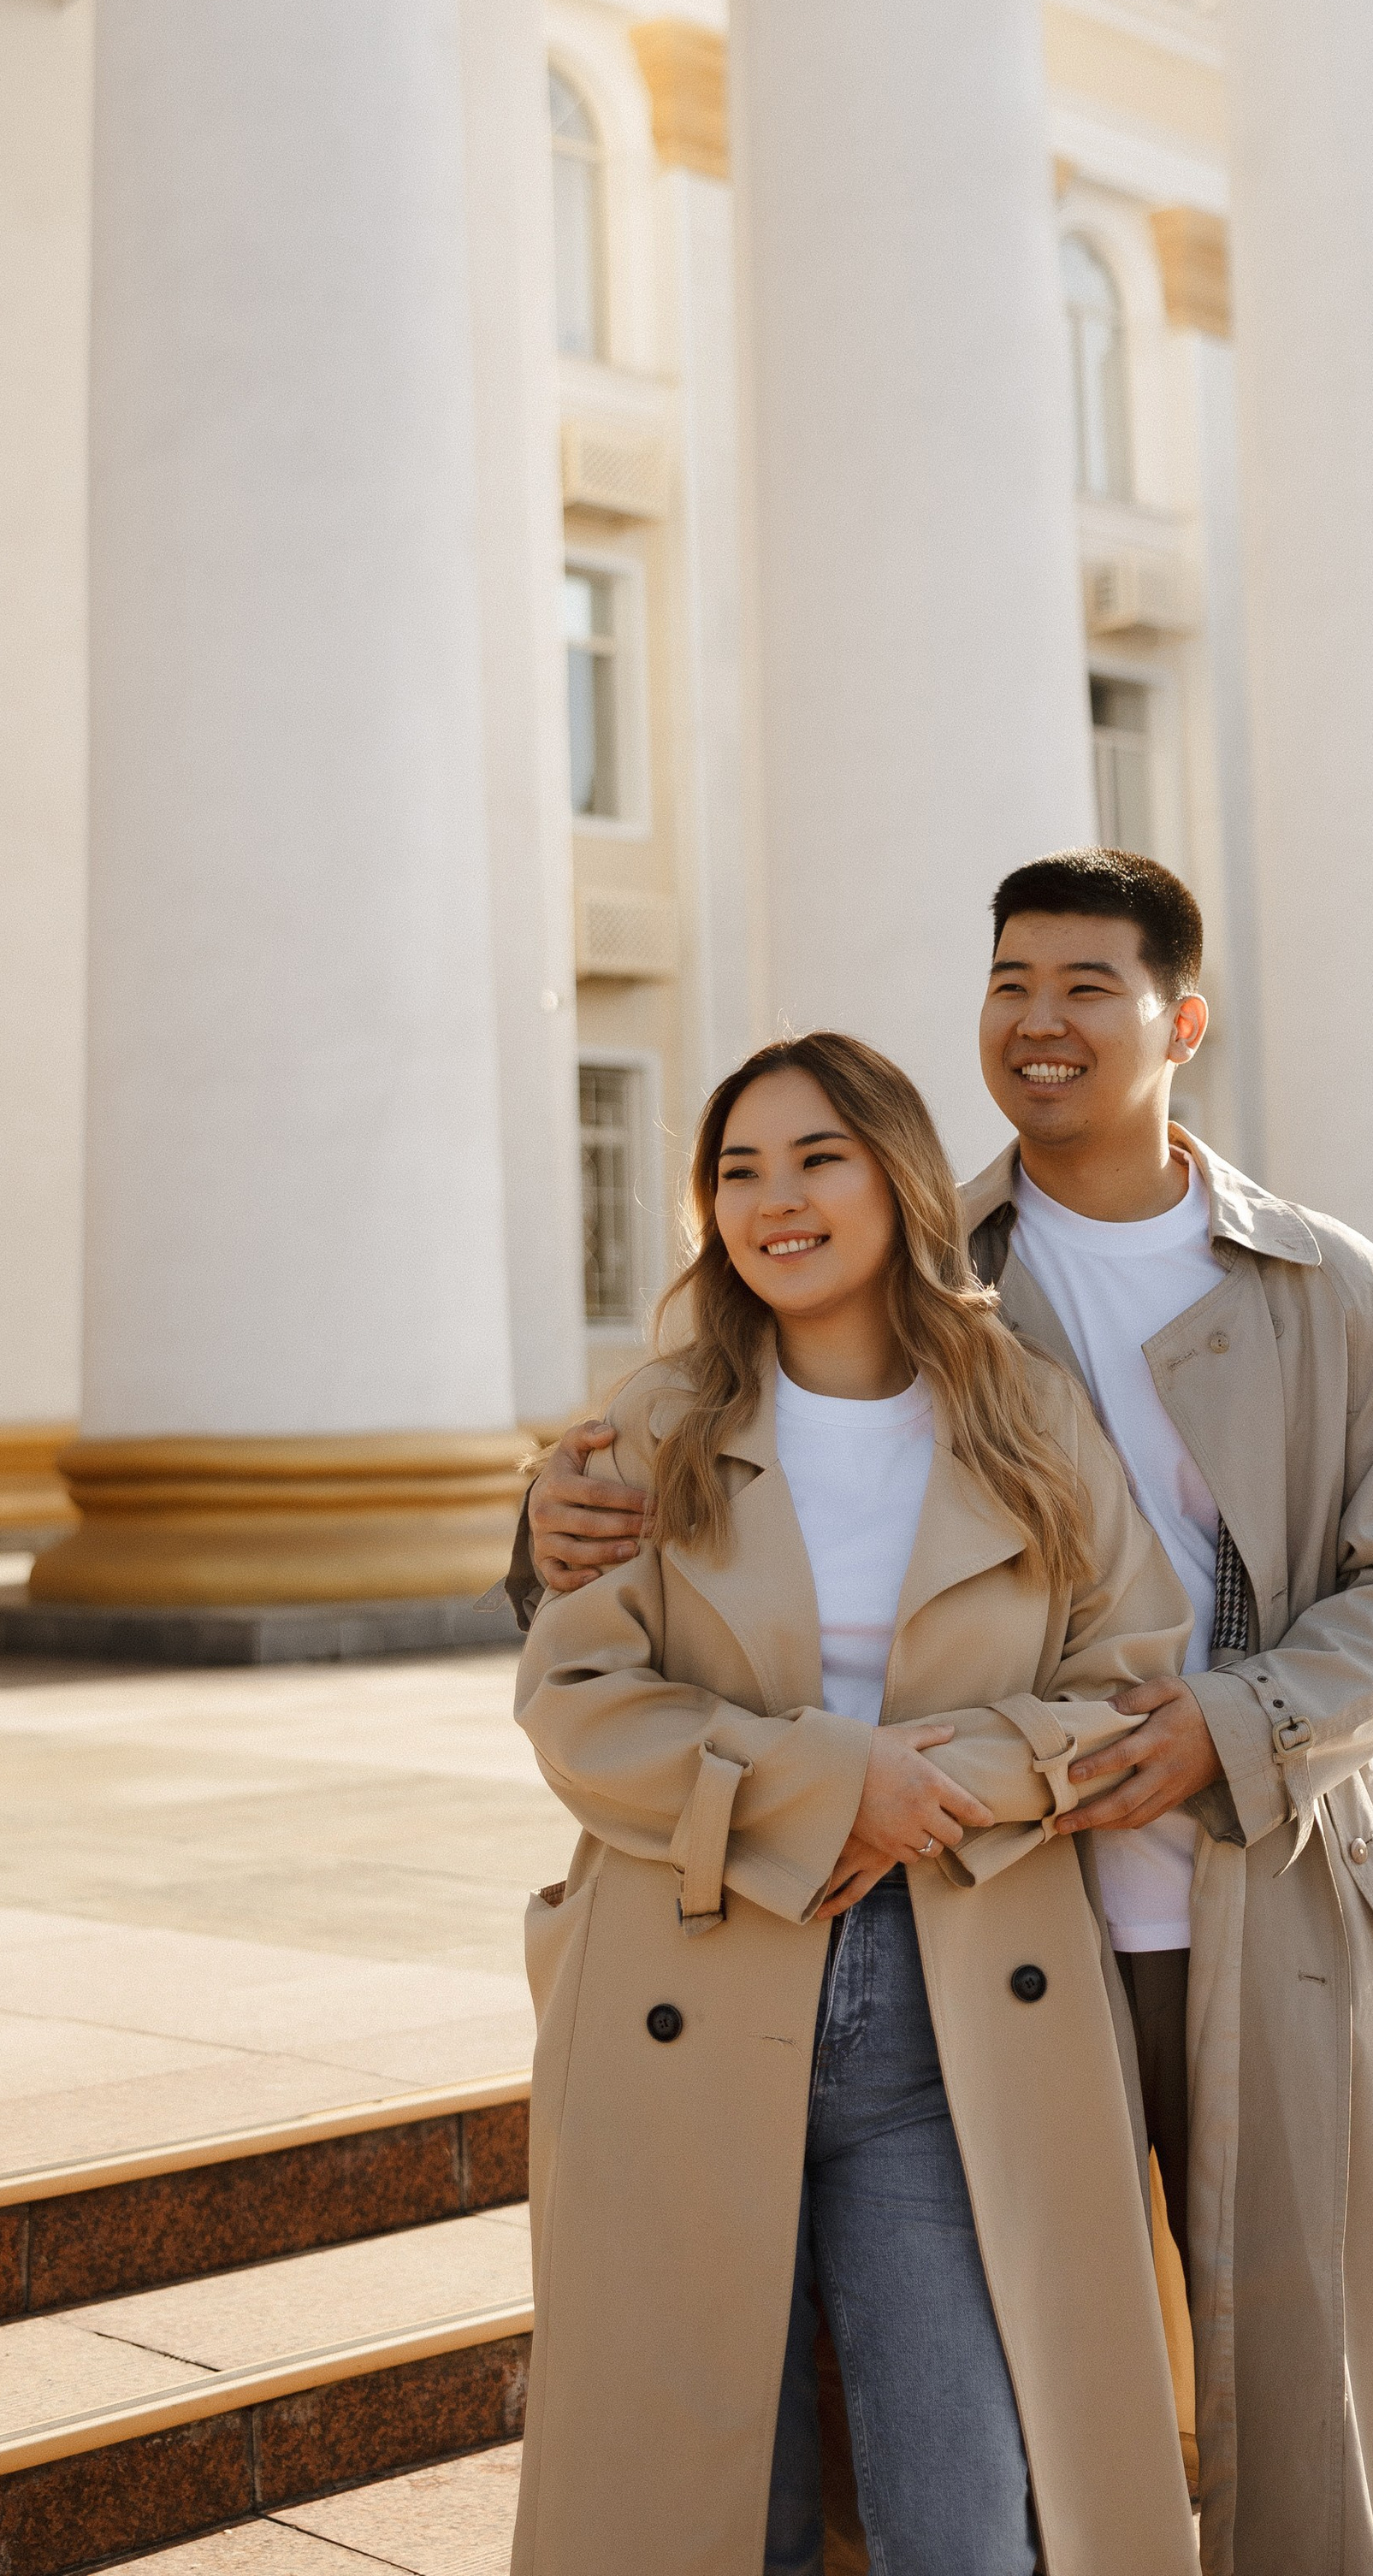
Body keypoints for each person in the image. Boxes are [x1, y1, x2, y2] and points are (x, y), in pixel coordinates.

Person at [517, 851, 1373, 2576]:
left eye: (1084, 987)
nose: (1037, 1022)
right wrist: (536, 1527)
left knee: (1288, 2369)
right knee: (992, 2396)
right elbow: (629, 1577)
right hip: (976, 1910)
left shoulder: (1330, 1288)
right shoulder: (907, 1265)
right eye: (1006, 983)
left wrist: (1234, 1722)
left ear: (1178, 1019)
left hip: (1241, 1887)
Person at [512, 1030, 1198, 2576]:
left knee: (966, 2508)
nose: (777, 1200)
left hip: (956, 2014)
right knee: (699, 2505)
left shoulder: (1024, 1415)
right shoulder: (651, 1427)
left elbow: (1131, 1675)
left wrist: (928, 1787)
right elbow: (575, 1705)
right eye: (738, 1171)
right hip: (687, 1974)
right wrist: (834, 1783)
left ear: (893, 1176)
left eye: (816, 1157)